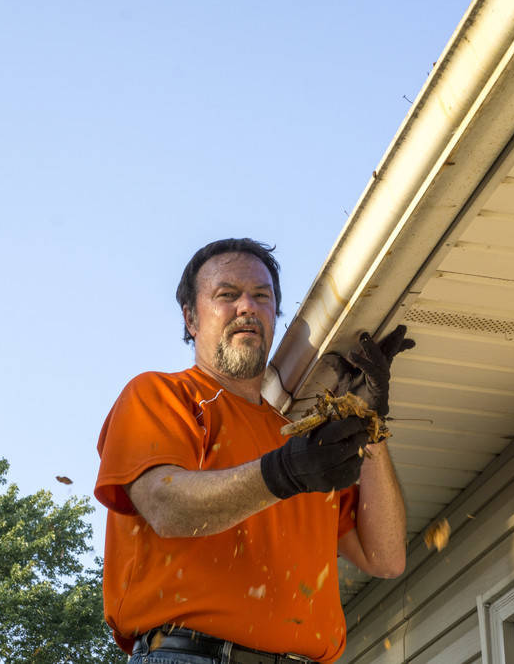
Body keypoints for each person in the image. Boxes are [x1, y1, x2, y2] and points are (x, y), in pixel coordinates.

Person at [94, 238, 413, 663]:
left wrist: (368, 423)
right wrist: (283, 473)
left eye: (262, 297)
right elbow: (166, 508)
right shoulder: (162, 395)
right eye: (227, 295)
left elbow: (386, 557)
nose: (247, 306)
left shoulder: (301, 438)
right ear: (191, 317)